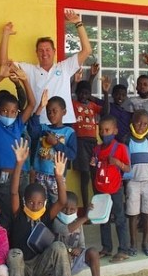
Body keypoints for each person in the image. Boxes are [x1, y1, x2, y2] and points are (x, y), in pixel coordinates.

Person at [7, 139, 86, 276]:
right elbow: (13, 193)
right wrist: (19, 164)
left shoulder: (47, 214)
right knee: (14, 253)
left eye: (40, 202)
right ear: (25, 202)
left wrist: (59, 175)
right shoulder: (18, 213)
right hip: (22, 269)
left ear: (44, 203)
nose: (35, 206)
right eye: (31, 202)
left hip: (41, 267)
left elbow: (62, 200)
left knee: (59, 246)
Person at [0, 11, 92, 124]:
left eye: (48, 50)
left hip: (64, 123)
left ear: (54, 51)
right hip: (39, 123)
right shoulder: (29, 69)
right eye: (41, 50)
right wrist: (6, 34)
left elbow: (87, 51)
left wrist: (78, 23)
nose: (44, 53)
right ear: (36, 53)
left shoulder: (65, 67)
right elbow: (3, 63)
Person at [0, 62, 36, 230]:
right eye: (5, 111)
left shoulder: (18, 125)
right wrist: (0, 76)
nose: (9, 114)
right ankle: (5, 247)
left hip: (23, 176)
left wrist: (24, 80)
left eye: (13, 111)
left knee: (22, 212)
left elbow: (32, 104)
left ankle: (20, 244)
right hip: (3, 178)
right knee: (5, 213)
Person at [52, 191, 110, 276]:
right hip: (59, 265)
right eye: (64, 209)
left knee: (93, 251)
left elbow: (82, 244)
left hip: (75, 260)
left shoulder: (77, 222)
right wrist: (85, 217)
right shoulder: (56, 221)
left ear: (76, 210)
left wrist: (79, 249)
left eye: (72, 209)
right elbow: (66, 230)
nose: (68, 212)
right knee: (65, 255)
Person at [92, 115, 131, 262]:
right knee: (103, 219)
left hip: (115, 189)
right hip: (101, 189)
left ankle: (123, 249)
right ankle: (107, 248)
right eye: (101, 130)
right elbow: (94, 167)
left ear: (115, 130)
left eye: (107, 130)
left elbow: (128, 168)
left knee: (120, 218)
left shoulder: (120, 148)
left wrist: (117, 163)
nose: (103, 133)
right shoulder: (96, 149)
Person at [29, 94, 77, 204]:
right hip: (39, 174)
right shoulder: (43, 128)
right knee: (40, 203)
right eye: (48, 111)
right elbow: (32, 130)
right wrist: (40, 107)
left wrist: (56, 143)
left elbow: (72, 155)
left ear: (64, 112)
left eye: (55, 111)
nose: (51, 114)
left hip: (57, 176)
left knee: (57, 204)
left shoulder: (69, 132)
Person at [124, 110, 148, 256]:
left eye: (145, 124)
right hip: (133, 182)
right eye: (138, 122)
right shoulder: (127, 139)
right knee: (133, 214)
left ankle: (145, 242)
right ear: (132, 123)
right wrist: (124, 183)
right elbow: (124, 161)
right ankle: (133, 243)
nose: (141, 126)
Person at [71, 73, 107, 209]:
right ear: (77, 93)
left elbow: (105, 112)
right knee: (85, 175)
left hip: (93, 144)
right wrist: (74, 82)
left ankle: (98, 207)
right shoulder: (74, 104)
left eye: (87, 93)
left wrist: (105, 93)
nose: (83, 96)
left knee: (94, 174)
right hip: (80, 143)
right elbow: (67, 95)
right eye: (81, 93)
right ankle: (86, 208)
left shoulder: (92, 105)